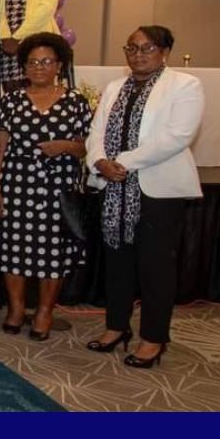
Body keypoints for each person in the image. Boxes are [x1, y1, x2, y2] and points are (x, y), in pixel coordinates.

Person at [85, 26, 204, 368]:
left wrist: (121, 163)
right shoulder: (114, 87)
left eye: (147, 48)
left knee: (155, 267)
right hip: (115, 189)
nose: (138, 54)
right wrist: (99, 162)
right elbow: (96, 132)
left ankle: (153, 338)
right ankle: (116, 327)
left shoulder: (184, 85)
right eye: (131, 48)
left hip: (157, 190)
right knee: (118, 263)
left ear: (165, 51)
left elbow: (177, 136)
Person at [0, 32, 90, 340]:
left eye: (46, 61)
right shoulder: (12, 100)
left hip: (56, 188)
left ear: (59, 64)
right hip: (16, 183)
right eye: (32, 62)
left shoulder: (76, 101)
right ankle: (16, 308)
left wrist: (65, 147)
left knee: (52, 254)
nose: (39, 67)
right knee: (13, 250)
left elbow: (87, 147)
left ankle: (45, 311)